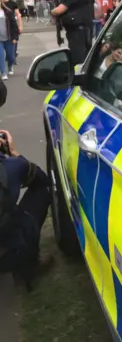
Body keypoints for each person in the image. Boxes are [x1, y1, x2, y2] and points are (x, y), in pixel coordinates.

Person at [0, 80, 54, 290]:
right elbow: (40, 179)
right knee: (42, 190)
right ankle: (27, 265)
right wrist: (13, 153)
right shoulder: (11, 167)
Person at [51, 0, 93, 66]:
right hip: (86, 31)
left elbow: (59, 10)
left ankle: (79, 78)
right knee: (85, 59)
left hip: (77, 33)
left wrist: (52, 12)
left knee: (78, 61)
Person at [0, 0, 22, 69]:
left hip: (11, 29)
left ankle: (11, 62)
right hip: (2, 30)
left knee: (11, 52)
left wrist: (20, 26)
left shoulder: (12, 4)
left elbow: (18, 15)